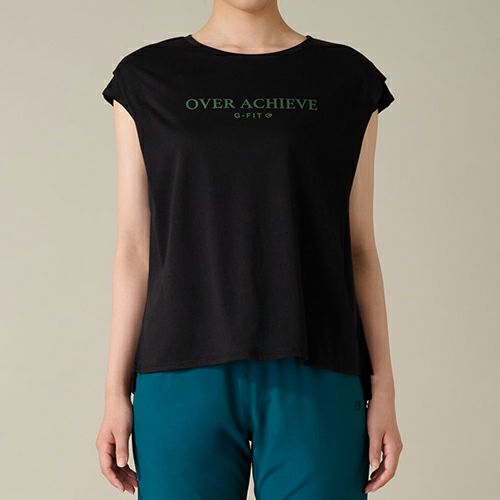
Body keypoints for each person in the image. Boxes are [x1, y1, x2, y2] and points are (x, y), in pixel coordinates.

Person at [95, 1, 403, 498]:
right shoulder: (147, 78)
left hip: (318, 370)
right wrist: (114, 391)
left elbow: (360, 247)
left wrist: (383, 387)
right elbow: (135, 247)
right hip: (180, 372)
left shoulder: (346, 79)